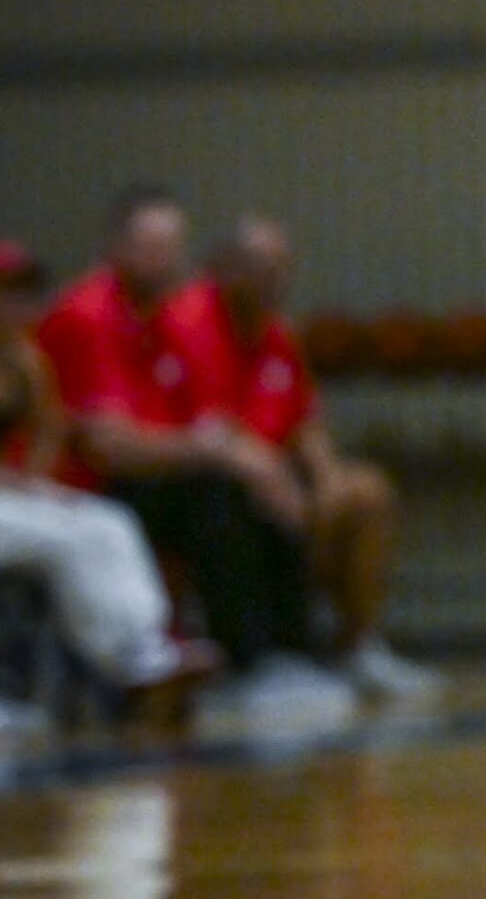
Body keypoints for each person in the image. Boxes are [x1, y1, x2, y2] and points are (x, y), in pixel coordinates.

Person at [38, 187, 351, 717]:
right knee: (217, 493)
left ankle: (294, 655)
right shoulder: (91, 315)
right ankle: (248, 663)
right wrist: (217, 454)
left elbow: (204, 421)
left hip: (150, 480)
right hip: (82, 493)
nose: (167, 259)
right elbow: (109, 449)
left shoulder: (159, 316)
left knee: (259, 483)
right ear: (116, 247)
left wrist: (250, 459)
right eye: (150, 247)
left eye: (174, 245)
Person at [0, 242, 217, 708]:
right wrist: (18, 484)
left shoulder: (22, 359)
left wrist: (32, 478)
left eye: (25, 295)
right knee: (70, 541)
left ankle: (147, 643)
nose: (16, 307)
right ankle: (118, 657)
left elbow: (51, 425)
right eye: (4, 295)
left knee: (108, 521)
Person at [168, 216, 443, 701]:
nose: (277, 279)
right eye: (261, 267)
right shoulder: (189, 321)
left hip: (280, 473)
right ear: (223, 270)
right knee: (249, 498)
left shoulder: (278, 332)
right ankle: (259, 659)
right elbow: (210, 427)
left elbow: (304, 418)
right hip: (215, 476)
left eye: (282, 267)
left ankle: (358, 647)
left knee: (366, 493)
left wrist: (327, 474)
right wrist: (275, 477)